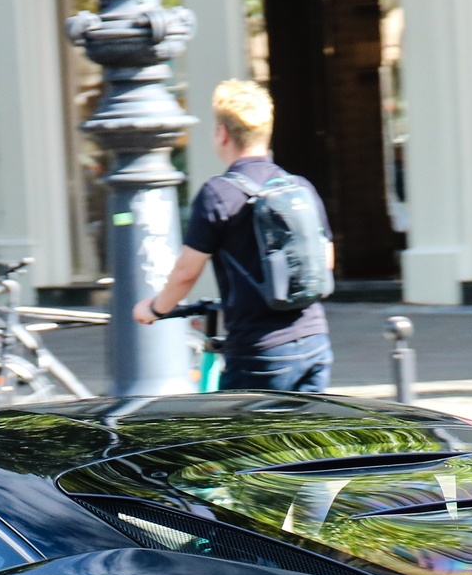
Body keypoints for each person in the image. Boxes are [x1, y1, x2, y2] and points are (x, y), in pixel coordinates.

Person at [133, 79, 334, 392]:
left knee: (234, 440)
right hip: (314, 341)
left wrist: (155, 309)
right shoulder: (298, 187)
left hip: (260, 351)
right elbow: (326, 260)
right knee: (304, 439)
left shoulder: (218, 194)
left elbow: (186, 272)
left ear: (222, 134)